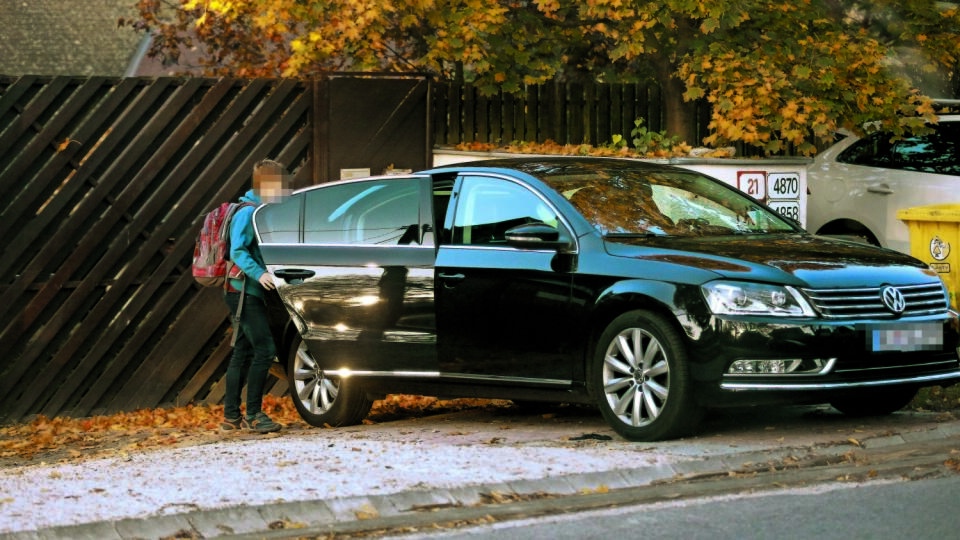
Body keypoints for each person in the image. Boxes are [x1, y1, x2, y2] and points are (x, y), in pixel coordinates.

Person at [220, 159, 290, 434]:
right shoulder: (248, 213)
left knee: (243, 351)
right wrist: (259, 273)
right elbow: (238, 250)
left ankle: (230, 418)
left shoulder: (258, 210)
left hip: (242, 292)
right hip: (243, 292)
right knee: (265, 349)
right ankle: (254, 415)